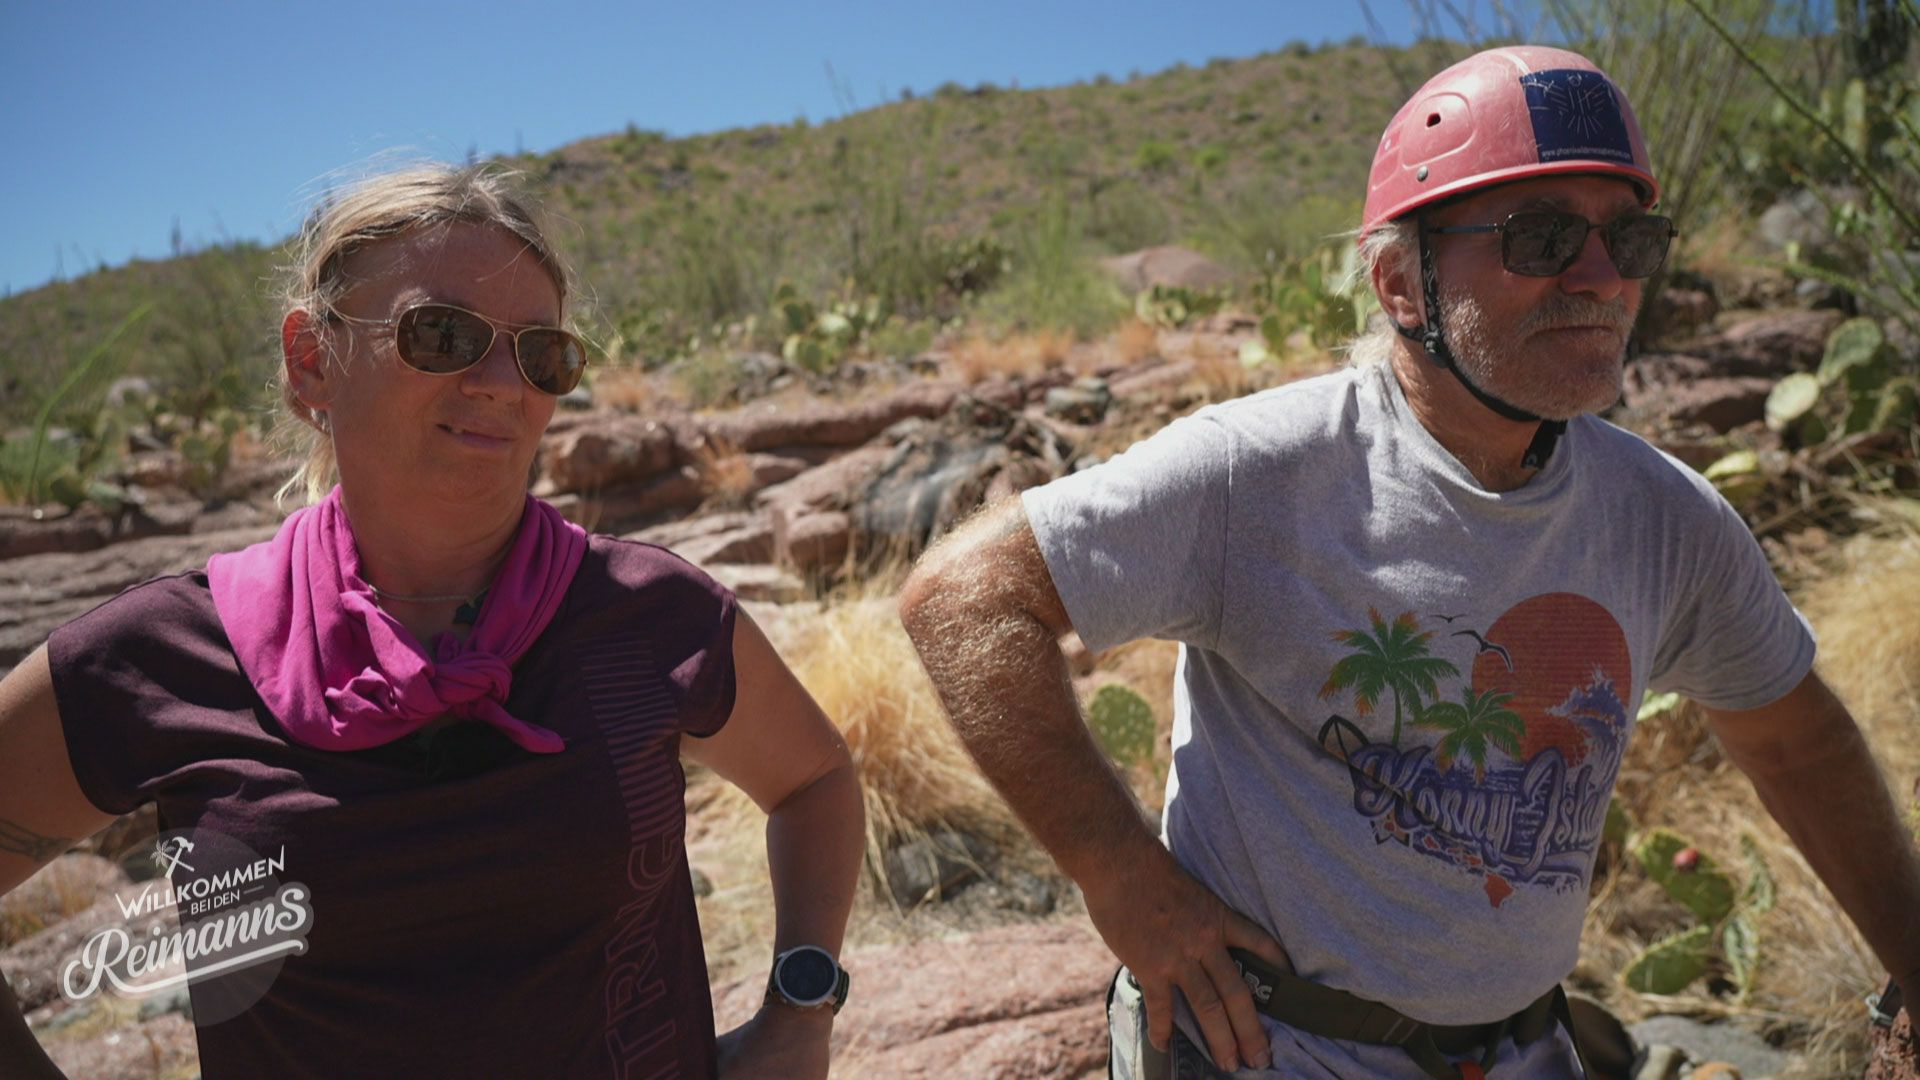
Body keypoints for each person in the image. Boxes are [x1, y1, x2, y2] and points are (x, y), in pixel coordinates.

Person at [899, 45, 1920, 1079]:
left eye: (1629, 237)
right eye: (1545, 236)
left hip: (1522, 1047)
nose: (1605, 277)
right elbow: (964, 599)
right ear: (1400, 281)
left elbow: (1795, 743)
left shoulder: (1664, 517)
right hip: (1268, 1047)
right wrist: (1119, 879)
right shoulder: (1264, 471)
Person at [0, 163, 864, 1079]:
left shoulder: (649, 614)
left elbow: (813, 781)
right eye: (442, 334)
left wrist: (798, 1012)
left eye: (542, 352)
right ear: (311, 363)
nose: (502, 382)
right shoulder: (161, 658)